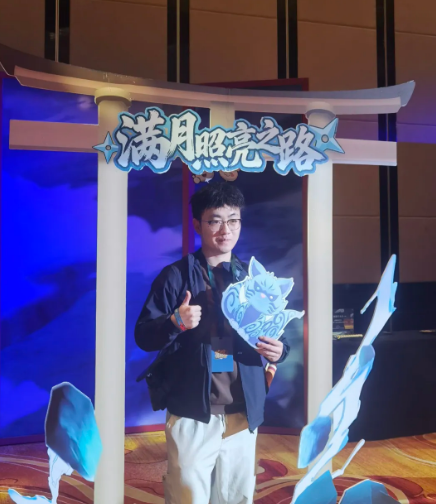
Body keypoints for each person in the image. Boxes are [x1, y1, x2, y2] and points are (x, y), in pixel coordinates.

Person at [135, 182, 291, 504]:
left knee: (237, 497)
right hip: (193, 409)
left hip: (242, 409)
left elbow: (277, 332)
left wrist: (280, 350)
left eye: (233, 220)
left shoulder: (252, 279)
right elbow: (143, 335)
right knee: (188, 496)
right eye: (215, 221)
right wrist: (175, 322)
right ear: (197, 224)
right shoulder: (175, 276)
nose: (225, 230)